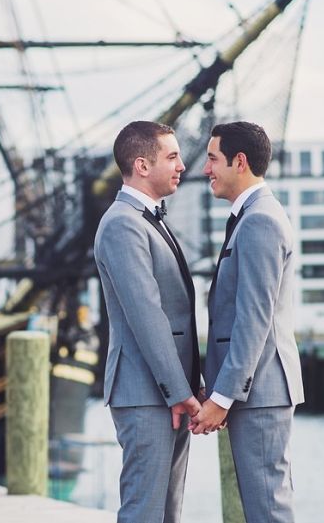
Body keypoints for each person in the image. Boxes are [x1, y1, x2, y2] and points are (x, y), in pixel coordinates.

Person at [190, 121, 304, 523]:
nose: (205, 169)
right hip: (258, 390)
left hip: (261, 391)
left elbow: (254, 318)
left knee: (268, 508)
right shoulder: (251, 216)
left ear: (240, 162)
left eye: (212, 158)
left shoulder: (259, 221)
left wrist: (222, 399)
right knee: (262, 505)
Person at [94, 120, 202, 523]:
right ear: (142, 165)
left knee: (167, 512)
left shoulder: (148, 219)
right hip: (146, 394)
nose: (182, 166)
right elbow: (147, 316)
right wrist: (179, 391)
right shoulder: (123, 224)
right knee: (144, 511)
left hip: (167, 391)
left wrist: (189, 384)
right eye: (172, 157)